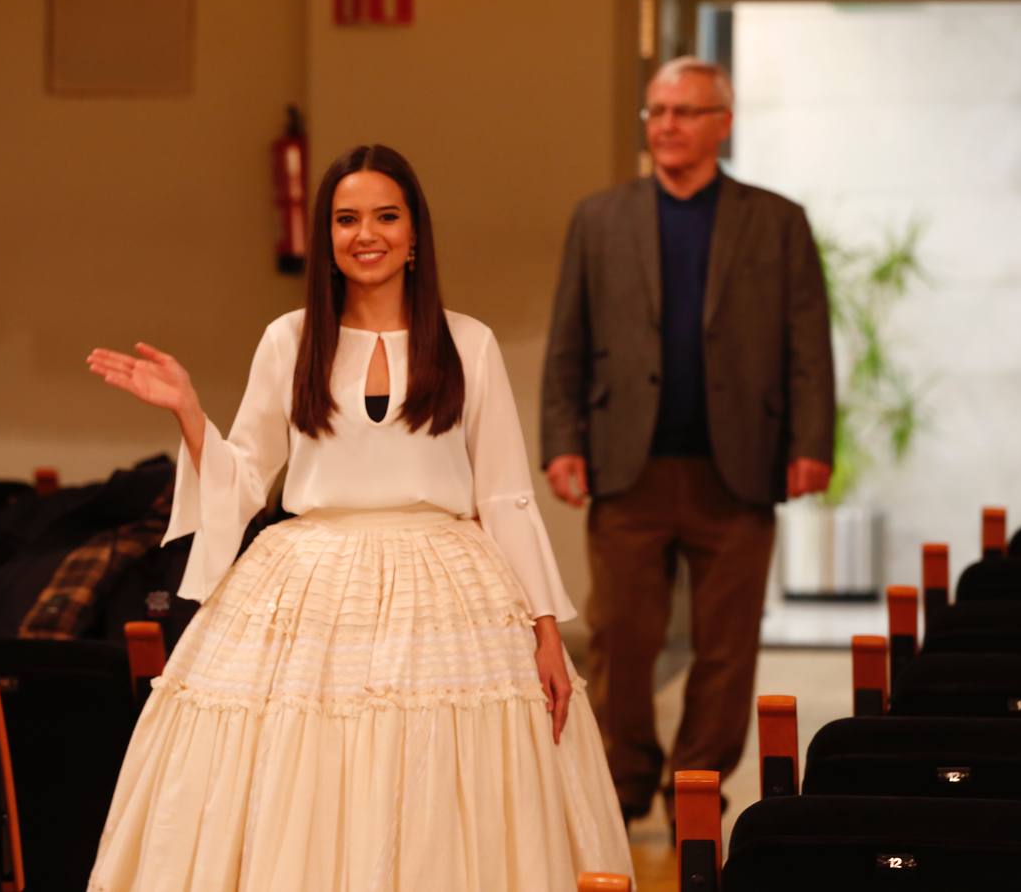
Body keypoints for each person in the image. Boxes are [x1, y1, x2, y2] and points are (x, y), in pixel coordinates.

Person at [85, 144, 633, 891]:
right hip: (306, 581)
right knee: (296, 778)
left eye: (384, 216)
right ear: (327, 236)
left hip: (447, 583)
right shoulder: (289, 338)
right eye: (346, 219)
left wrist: (544, 629)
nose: (364, 234)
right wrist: (188, 410)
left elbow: (505, 495)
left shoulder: (469, 342)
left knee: (438, 776)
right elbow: (244, 479)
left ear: (414, 236)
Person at [540, 56, 835, 826]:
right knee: (620, 641)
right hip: (626, 467)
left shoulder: (776, 221)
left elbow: (808, 343)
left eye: (683, 111)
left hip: (736, 469)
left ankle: (696, 789)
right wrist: (562, 441)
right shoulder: (599, 219)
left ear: (722, 124)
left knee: (727, 648)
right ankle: (623, 785)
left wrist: (812, 441)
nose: (665, 125)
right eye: (656, 111)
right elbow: (568, 341)